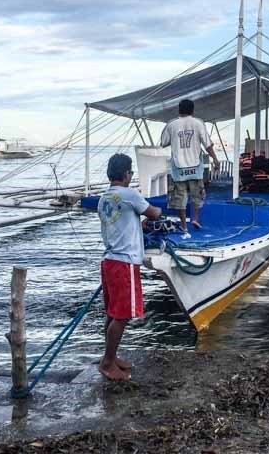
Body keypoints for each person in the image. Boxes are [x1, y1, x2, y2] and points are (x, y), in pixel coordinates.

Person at [97, 153, 161, 381]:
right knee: (122, 315)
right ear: (126, 174)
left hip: (109, 260)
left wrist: (138, 224)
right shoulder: (130, 194)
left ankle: (111, 357)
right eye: (131, 172)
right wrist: (158, 212)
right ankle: (107, 362)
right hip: (124, 262)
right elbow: (154, 212)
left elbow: (123, 224)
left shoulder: (104, 198)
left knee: (112, 312)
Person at [160, 98, 220, 232]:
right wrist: (215, 159)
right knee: (197, 196)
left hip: (178, 168)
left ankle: (184, 225)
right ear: (192, 110)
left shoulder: (171, 125)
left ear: (179, 110)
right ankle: (195, 219)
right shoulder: (198, 123)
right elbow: (208, 145)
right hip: (195, 167)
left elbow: (163, 142)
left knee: (180, 198)